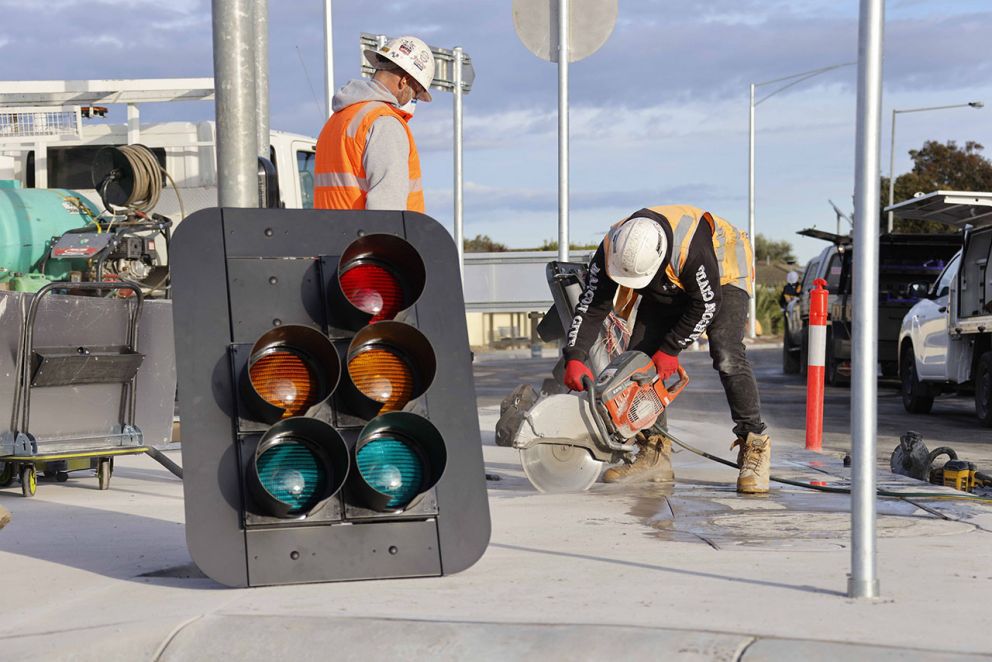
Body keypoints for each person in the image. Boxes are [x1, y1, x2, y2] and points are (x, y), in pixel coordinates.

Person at [562, 205, 771, 494]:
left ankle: (754, 444)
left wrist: (671, 349)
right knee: (637, 361)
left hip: (723, 272)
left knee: (727, 354)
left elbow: (707, 305)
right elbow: (591, 306)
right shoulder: (613, 247)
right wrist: (574, 357)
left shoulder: (691, 247)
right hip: (668, 278)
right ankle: (654, 452)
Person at [314, 35, 434, 212]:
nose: (412, 100)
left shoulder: (338, 120)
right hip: (366, 239)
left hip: (334, 236)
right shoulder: (384, 123)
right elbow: (387, 208)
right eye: (415, 94)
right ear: (405, 81)